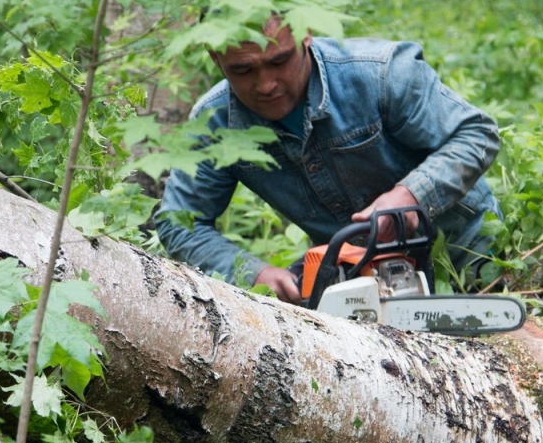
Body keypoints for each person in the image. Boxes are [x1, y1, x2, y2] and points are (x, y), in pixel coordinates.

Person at [156, 17, 501, 304]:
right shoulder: (216, 122)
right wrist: (256, 273)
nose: (266, 84)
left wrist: (410, 196)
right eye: (243, 70)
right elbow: (180, 222)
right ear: (215, 58)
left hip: (468, 256)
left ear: (305, 33)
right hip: (355, 280)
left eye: (279, 61)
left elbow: (476, 133)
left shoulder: (379, 74)